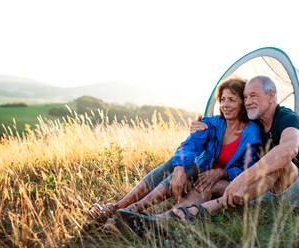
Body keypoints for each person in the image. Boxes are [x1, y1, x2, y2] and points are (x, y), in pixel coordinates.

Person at [118, 75, 299, 224]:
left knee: (279, 161)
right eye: (245, 97)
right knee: (203, 180)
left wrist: (240, 179)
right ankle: (162, 219)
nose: (248, 101)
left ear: (271, 97)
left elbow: (288, 150)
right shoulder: (255, 123)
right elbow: (192, 145)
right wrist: (195, 137)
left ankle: (200, 210)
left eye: (253, 96)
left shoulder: (287, 118)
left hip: (293, 192)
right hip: (260, 192)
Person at [89, 78, 262, 223]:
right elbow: (189, 146)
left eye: (231, 99)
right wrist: (179, 170)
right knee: (180, 164)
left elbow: (249, 171)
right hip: (199, 175)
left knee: (193, 168)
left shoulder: (252, 133)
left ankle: (138, 213)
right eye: (222, 99)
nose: (225, 105)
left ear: (243, 102)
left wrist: (222, 173)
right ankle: (120, 207)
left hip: (224, 184)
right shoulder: (213, 123)